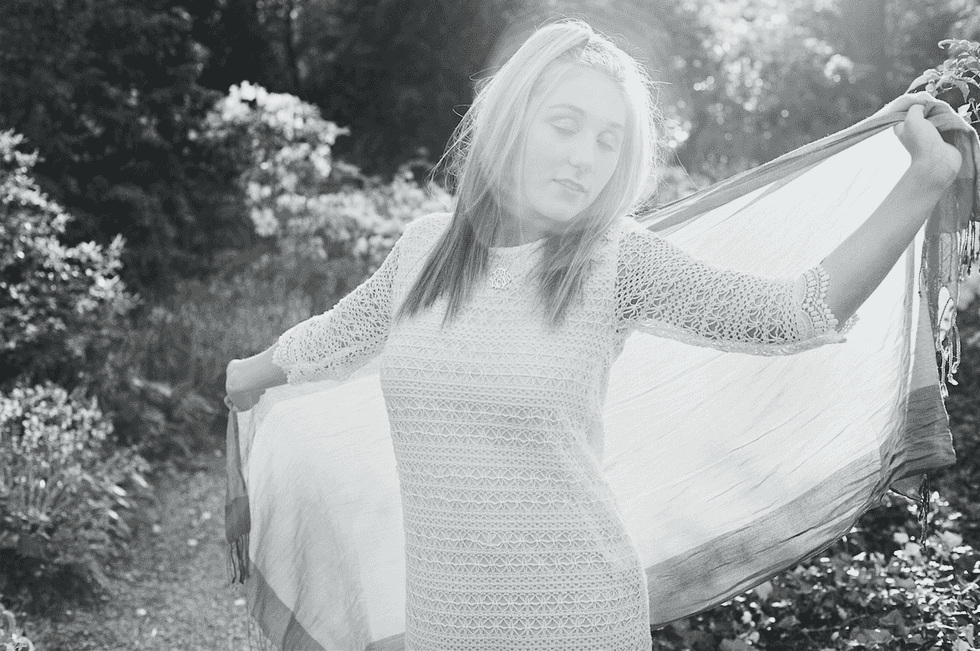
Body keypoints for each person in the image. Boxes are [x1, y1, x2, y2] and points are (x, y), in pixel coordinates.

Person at [224, 17, 964, 651]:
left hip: (575, 616)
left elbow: (793, 312)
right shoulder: (422, 251)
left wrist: (922, 182)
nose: (585, 157)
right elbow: (335, 337)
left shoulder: (615, 260)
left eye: (609, 140)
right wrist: (247, 374)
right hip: (443, 621)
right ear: (511, 119)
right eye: (565, 124)